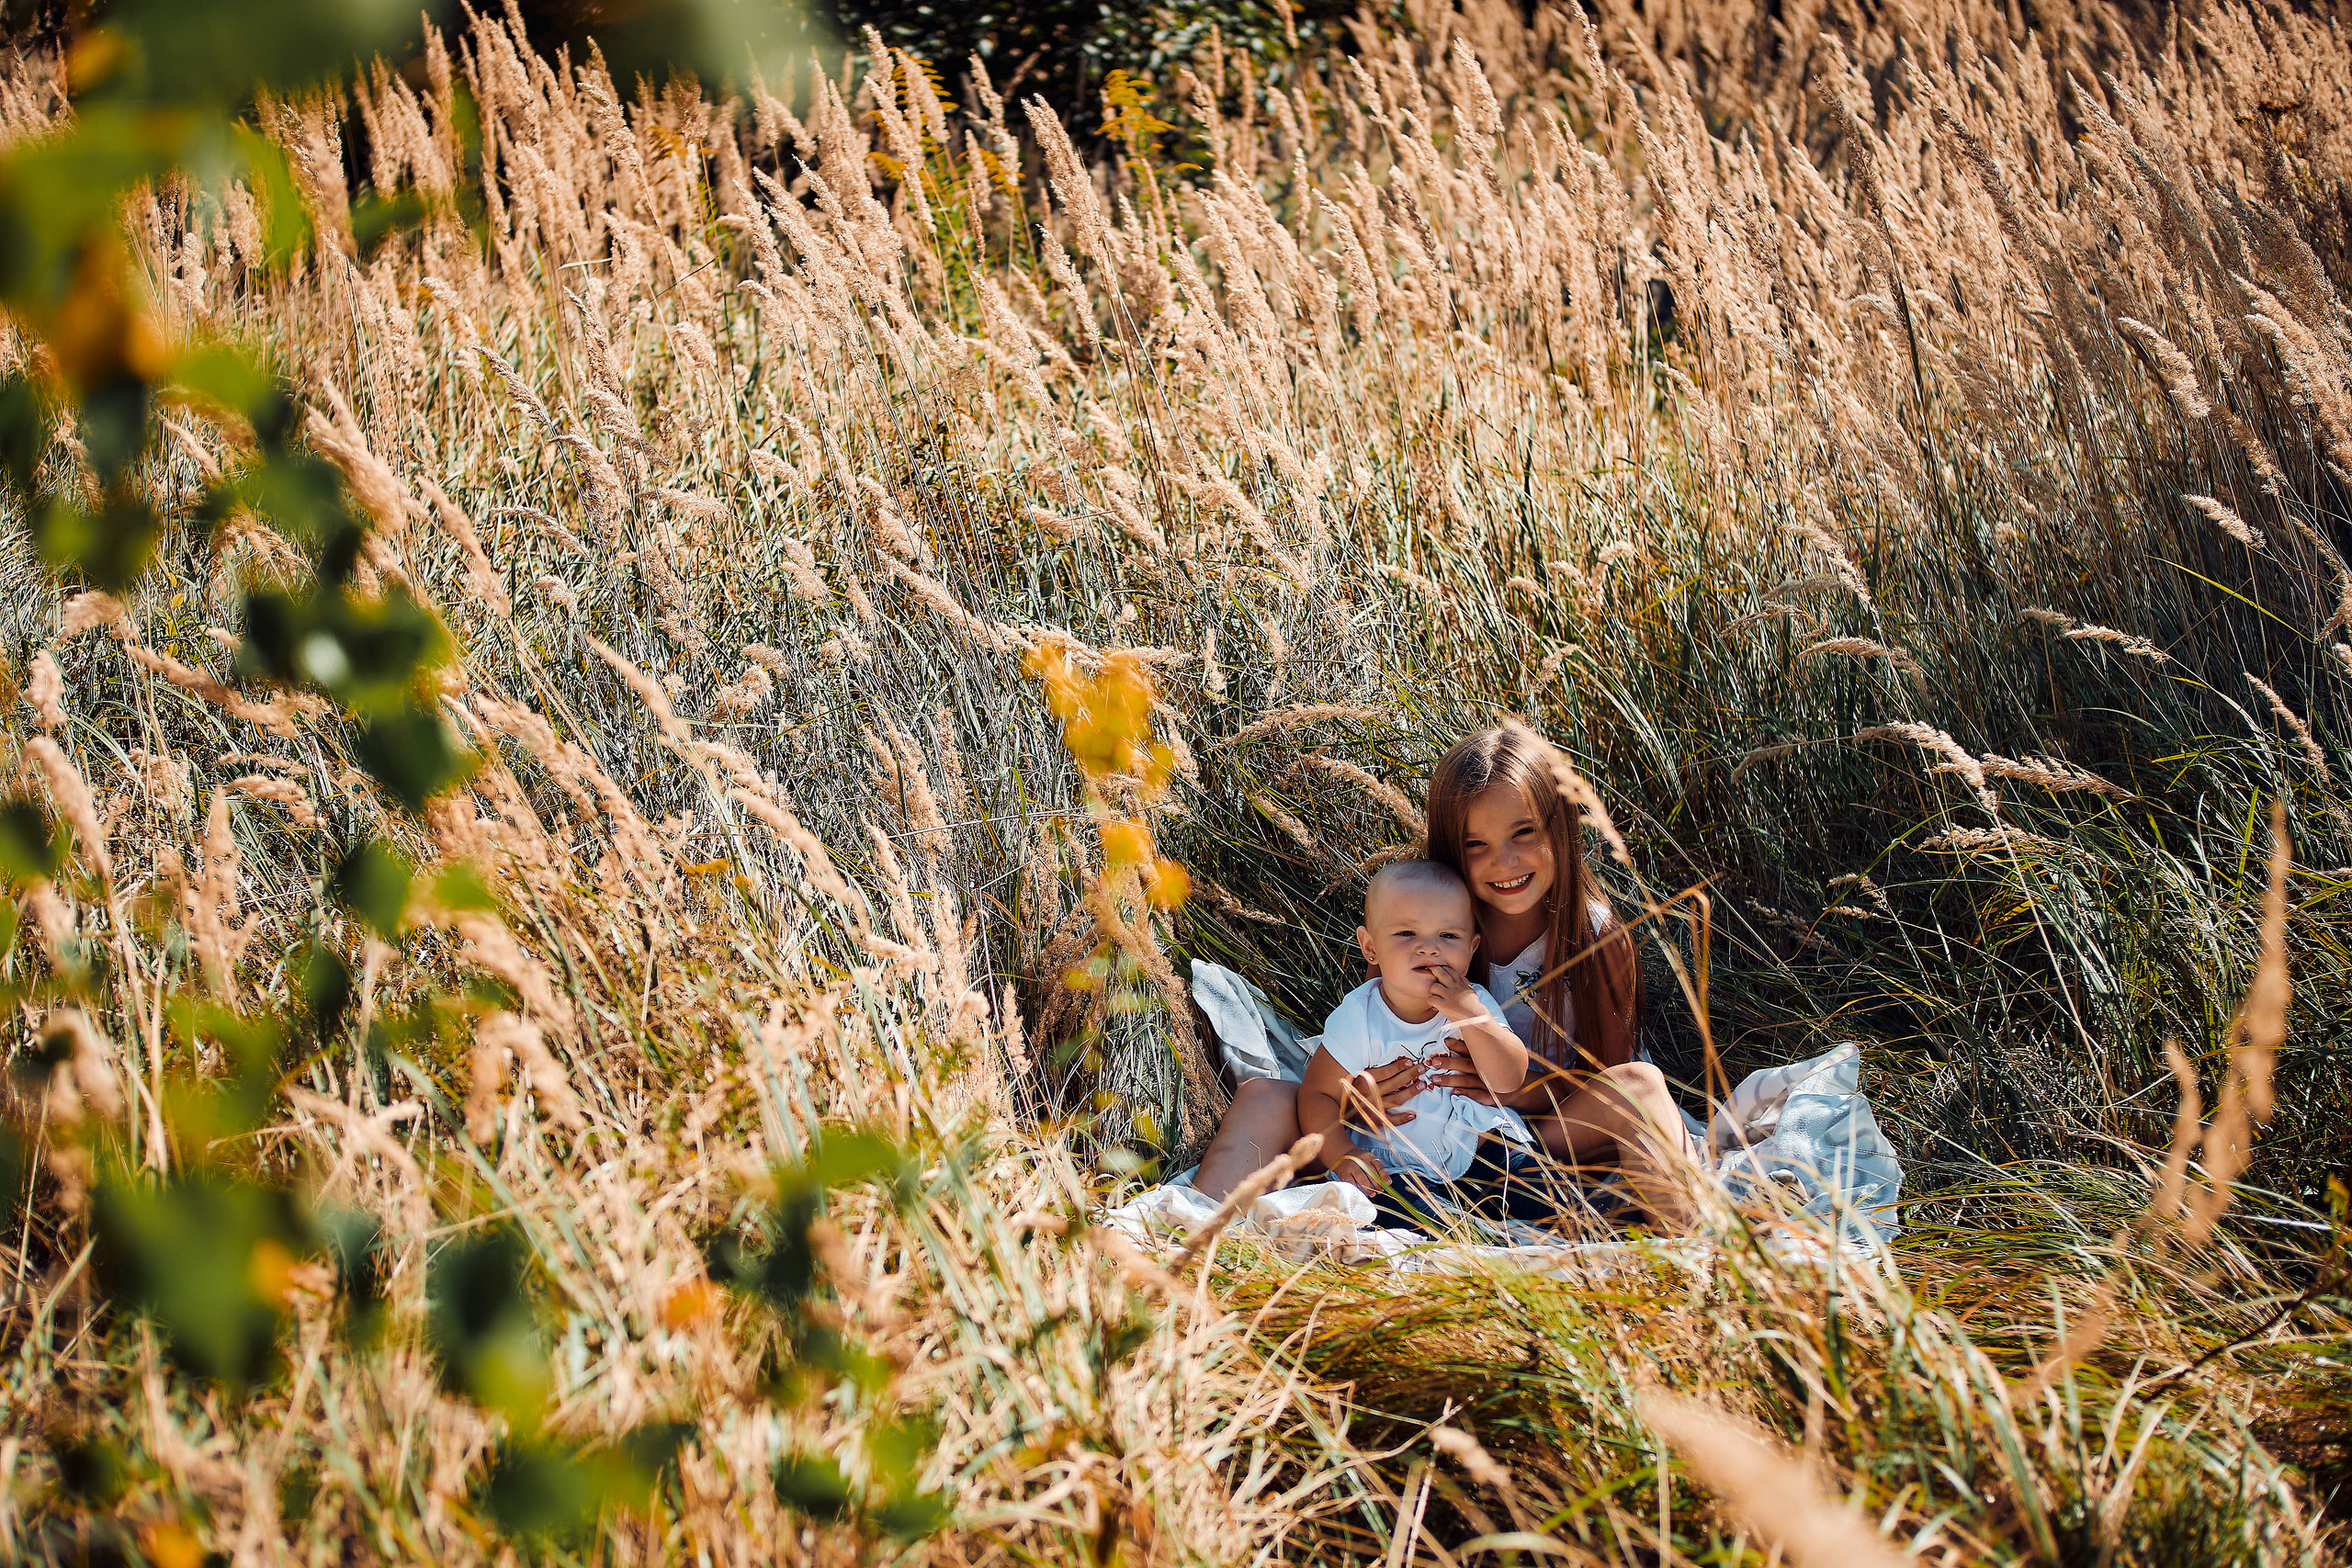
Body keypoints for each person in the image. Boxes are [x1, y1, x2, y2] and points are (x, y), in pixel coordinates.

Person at [1191, 723, 1697, 1231]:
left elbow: (1603, 1077)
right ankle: (1189, 1233)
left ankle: (1691, 1254)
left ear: (1559, 830)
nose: (1504, 862)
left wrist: (1510, 1093)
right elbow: (1378, 1033)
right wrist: (1359, 1097)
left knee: (1643, 1087)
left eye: (1524, 832)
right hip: (1404, 1135)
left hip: (1523, 1137)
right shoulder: (1423, 919)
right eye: (1477, 844)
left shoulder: (1594, 936)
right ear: (1453, 849)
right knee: (1265, 1095)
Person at [1299, 860, 1552, 1228]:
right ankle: (1460, 1229)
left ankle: (1580, 1216)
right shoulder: (1361, 1016)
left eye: (1448, 936)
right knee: (1398, 1211)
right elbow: (1316, 1094)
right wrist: (1342, 1154)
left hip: (1484, 1149)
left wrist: (1471, 1015)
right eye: (1406, 934)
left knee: (1542, 1192)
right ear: (1370, 947)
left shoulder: (1473, 1001)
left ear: (1471, 947)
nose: (1428, 949)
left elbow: (1509, 1078)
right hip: (1399, 1164)